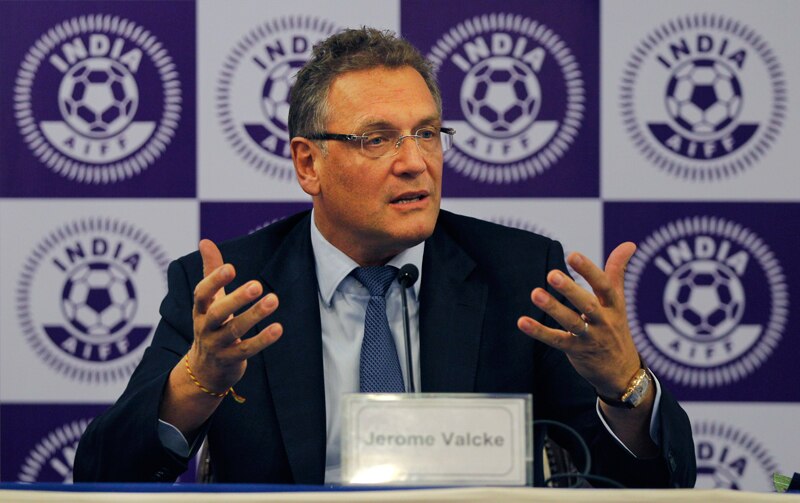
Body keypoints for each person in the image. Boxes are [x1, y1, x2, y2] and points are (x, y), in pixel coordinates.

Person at [74, 27, 696, 487]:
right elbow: (101, 479)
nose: (415, 161)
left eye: (427, 133)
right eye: (378, 139)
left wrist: (625, 387)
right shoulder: (227, 290)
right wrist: (198, 381)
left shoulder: (519, 276)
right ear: (308, 163)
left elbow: (651, 487)